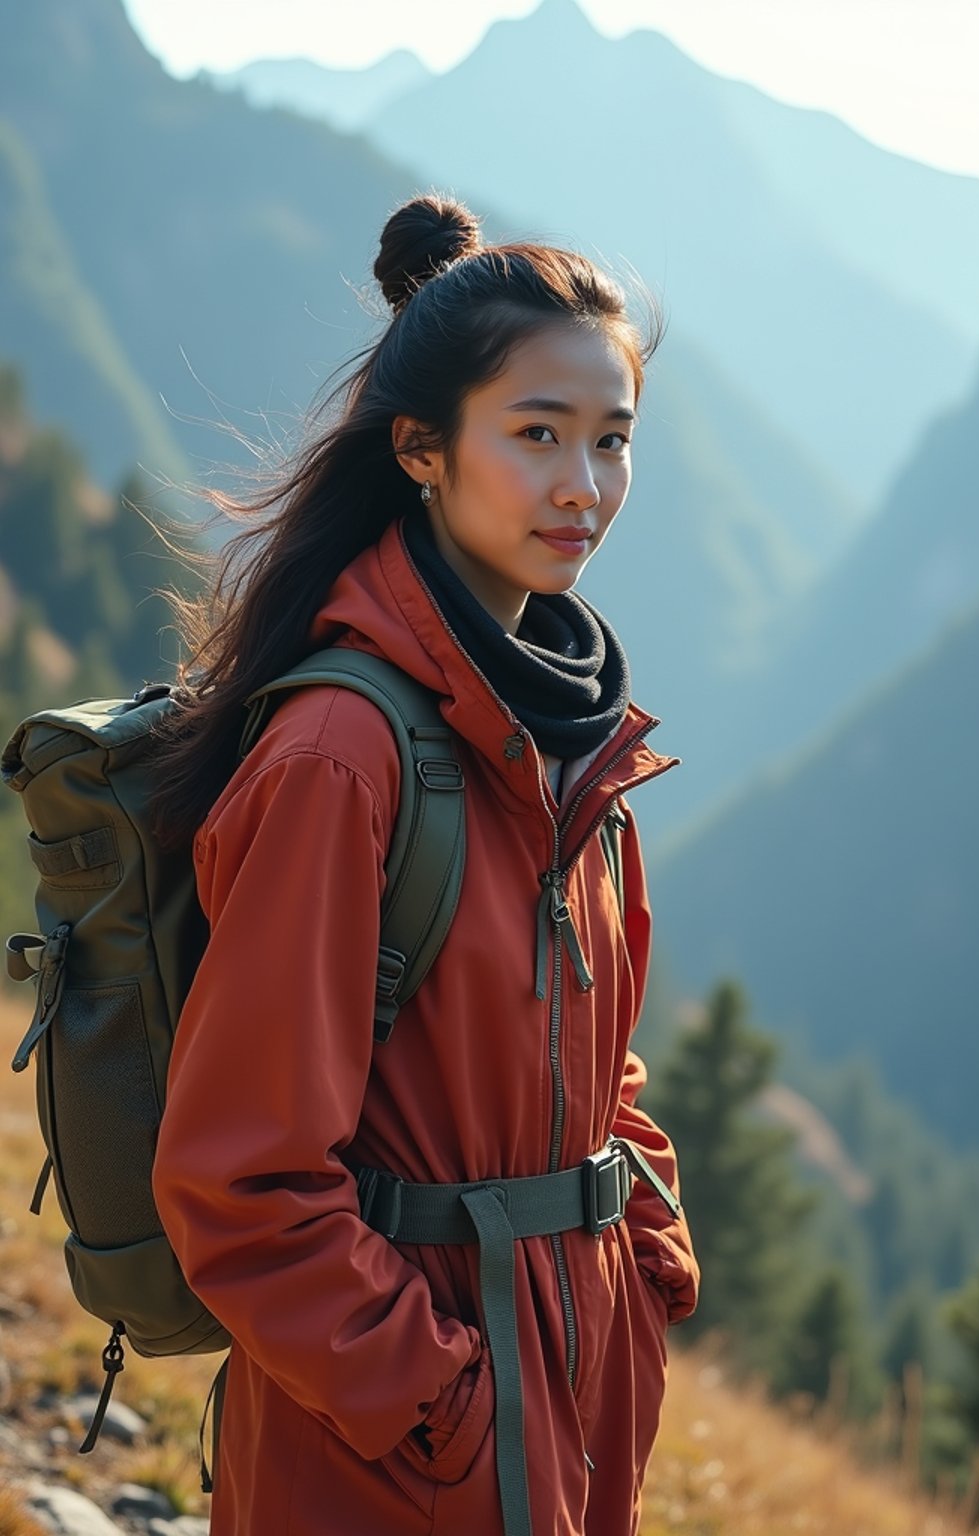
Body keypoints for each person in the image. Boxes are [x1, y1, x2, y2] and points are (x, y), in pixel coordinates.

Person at [151, 193, 699, 1536]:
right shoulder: (347, 755)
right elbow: (242, 1179)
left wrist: (646, 1248)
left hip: (564, 1394)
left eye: (613, 441)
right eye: (537, 436)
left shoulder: (572, 743)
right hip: (388, 1447)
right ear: (422, 449)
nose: (585, 487)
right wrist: (444, 1404)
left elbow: (596, 1047)